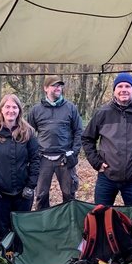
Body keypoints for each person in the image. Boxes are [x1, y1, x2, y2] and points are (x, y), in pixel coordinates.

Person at [82, 72, 132, 231]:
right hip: (107, 176)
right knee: (99, 216)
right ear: (114, 90)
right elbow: (87, 139)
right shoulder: (103, 113)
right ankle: (102, 250)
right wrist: (97, 163)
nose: (123, 90)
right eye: (120, 86)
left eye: (127, 86)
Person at [0, 94, 39, 243]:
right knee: (0, 233)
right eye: (7, 107)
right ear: (1, 110)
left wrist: (30, 186)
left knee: (20, 232)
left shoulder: (29, 133)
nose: (11, 110)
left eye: (14, 107)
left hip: (22, 193)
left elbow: (35, 160)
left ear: (19, 111)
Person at [27, 75, 83, 210]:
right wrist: (32, 155)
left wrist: (73, 154)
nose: (58, 88)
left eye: (59, 86)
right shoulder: (36, 110)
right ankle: (44, 226)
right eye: (54, 85)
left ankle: (69, 225)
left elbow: (79, 132)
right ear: (45, 88)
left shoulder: (70, 108)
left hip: (65, 158)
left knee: (69, 194)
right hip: (43, 159)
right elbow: (28, 134)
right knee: (41, 195)